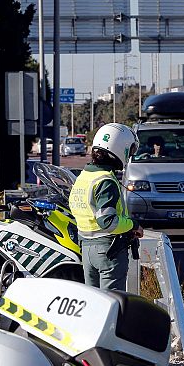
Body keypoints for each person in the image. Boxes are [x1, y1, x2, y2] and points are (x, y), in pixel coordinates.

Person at [69, 123, 144, 291]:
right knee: (111, 304)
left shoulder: (83, 177)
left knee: (95, 304)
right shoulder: (105, 181)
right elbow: (107, 221)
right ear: (120, 149)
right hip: (108, 250)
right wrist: (133, 225)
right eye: (129, 150)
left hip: (87, 249)